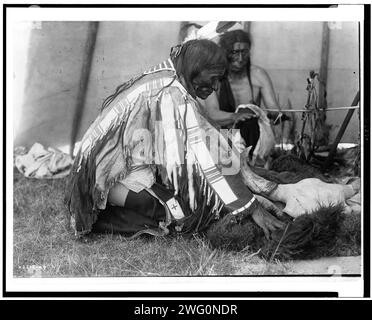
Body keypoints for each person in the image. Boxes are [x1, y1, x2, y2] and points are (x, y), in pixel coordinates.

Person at [65, 39, 284, 240]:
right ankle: (102, 213)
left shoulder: (170, 75)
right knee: (176, 213)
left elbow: (199, 139)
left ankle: (118, 205)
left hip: (122, 164)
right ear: (196, 69)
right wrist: (250, 206)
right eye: (214, 78)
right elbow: (206, 155)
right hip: (100, 176)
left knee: (181, 200)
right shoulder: (172, 92)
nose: (217, 87)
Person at [201, 30, 286, 162]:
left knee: (250, 124)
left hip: (253, 137)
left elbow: (273, 109)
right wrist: (235, 116)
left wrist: (277, 116)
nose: (240, 59)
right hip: (224, 137)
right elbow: (212, 113)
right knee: (231, 174)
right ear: (224, 53)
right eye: (234, 52)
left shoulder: (258, 75)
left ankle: (254, 166)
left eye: (244, 52)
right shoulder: (215, 77)